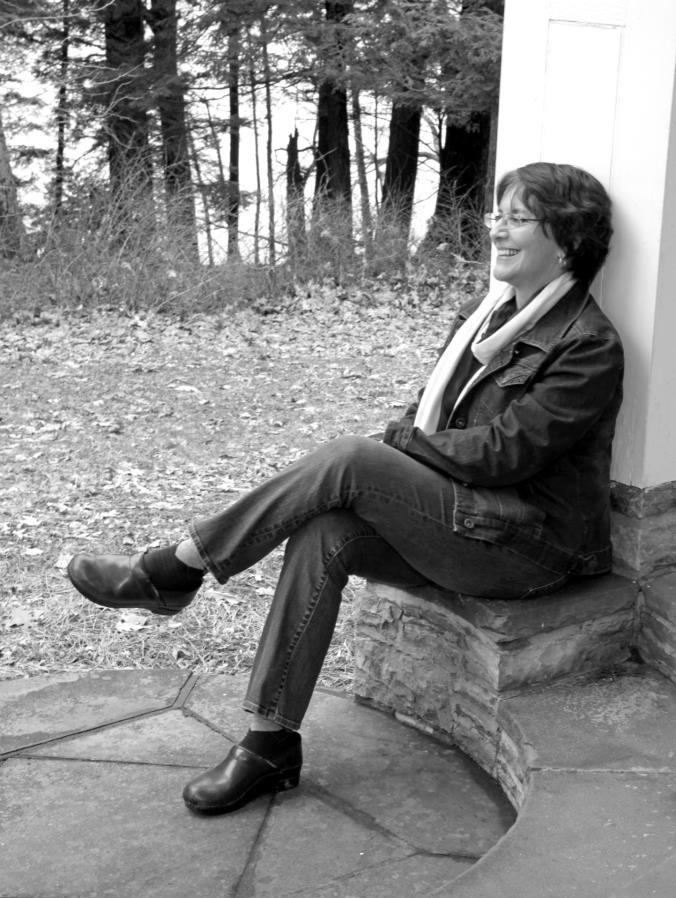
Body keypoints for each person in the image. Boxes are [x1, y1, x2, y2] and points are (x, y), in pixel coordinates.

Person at [68, 161, 624, 816]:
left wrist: (399, 451)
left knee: (352, 460)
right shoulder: (485, 317)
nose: (497, 231)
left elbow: (506, 453)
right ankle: (269, 743)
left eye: (517, 219)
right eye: (495, 216)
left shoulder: (588, 345)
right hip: (467, 519)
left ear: (567, 241)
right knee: (325, 529)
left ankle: (176, 567)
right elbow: (429, 411)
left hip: (528, 547)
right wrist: (405, 449)